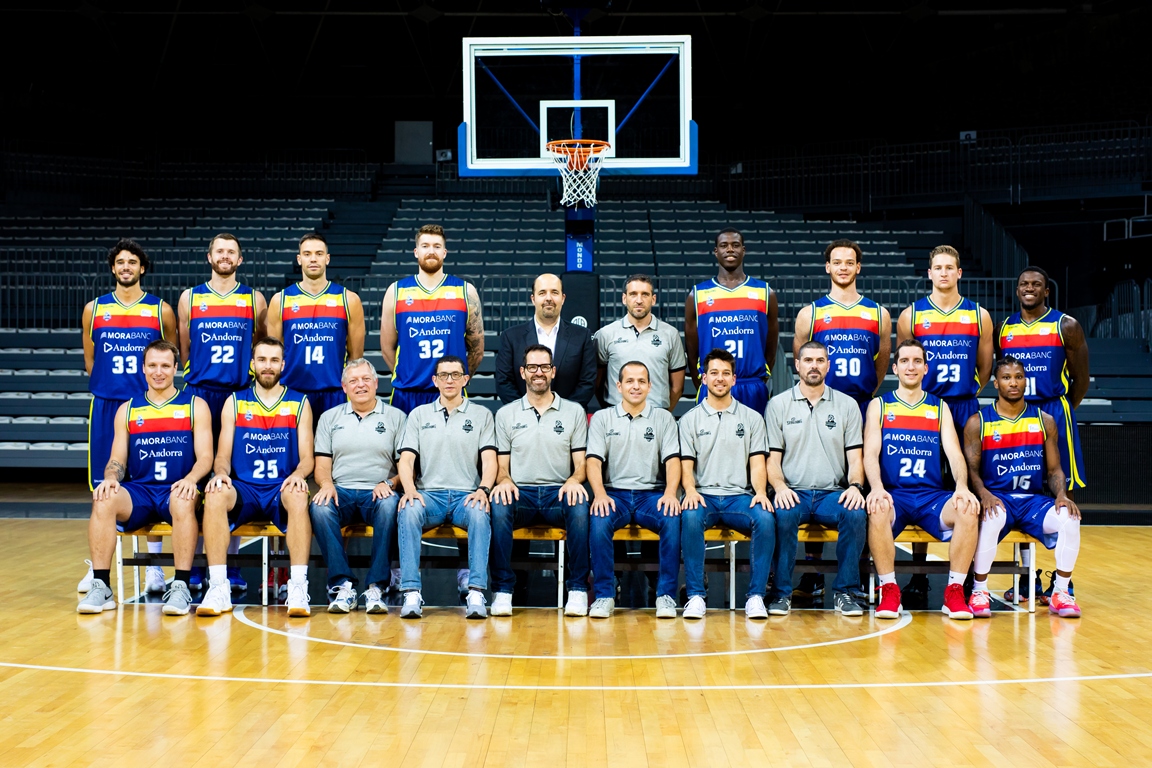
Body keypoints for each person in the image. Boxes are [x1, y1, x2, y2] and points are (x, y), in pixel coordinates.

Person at [77, 340, 212, 616]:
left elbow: (206, 457)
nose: (158, 372)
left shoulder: (195, 406)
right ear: (143, 368)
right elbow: (117, 459)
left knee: (183, 500)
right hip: (140, 491)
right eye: (152, 365)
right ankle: (101, 586)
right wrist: (111, 477)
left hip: (177, 489)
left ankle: (180, 586)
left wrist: (191, 479)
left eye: (165, 366)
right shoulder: (127, 409)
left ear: (176, 368)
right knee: (104, 498)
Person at [792, 239, 890, 598]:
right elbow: (802, 357)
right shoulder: (811, 313)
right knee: (818, 482)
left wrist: (863, 395)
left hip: (861, 405)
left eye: (850, 262)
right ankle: (813, 572)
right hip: (821, 405)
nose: (843, 267)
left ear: (858, 267)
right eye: (837, 262)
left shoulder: (878, 313)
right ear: (828, 267)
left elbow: (882, 362)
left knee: (859, 487)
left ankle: (860, 571)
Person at [80, 238, 178, 597]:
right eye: (120, 262)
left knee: (147, 482)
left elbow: (171, 353)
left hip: (147, 408)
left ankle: (154, 567)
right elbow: (91, 361)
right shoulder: (94, 309)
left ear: (142, 268)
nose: (126, 267)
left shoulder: (160, 310)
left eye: (132, 262)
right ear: (113, 268)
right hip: (107, 404)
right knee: (103, 487)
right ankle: (97, 567)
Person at [896, 244, 992, 602]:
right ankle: (919, 574)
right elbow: (906, 360)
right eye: (938, 267)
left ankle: (965, 576)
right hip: (924, 407)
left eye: (950, 267)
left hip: (963, 406)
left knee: (969, 488)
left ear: (959, 273)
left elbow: (985, 368)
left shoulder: (979, 315)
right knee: (923, 485)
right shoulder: (912, 315)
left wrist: (965, 393)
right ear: (929, 273)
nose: (944, 273)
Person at [863, 339, 980, 621]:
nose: (911, 367)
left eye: (917, 361)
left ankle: (954, 592)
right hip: (895, 495)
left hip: (931, 496)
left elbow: (954, 453)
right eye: (904, 361)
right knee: (877, 507)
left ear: (926, 368)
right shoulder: (880, 406)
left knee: (967, 508)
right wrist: (876, 487)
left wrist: (962, 487)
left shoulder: (939, 407)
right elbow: (870, 454)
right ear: (895, 368)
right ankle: (889, 590)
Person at [197, 337, 315, 618]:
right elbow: (222, 455)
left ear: (283, 365)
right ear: (252, 364)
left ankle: (298, 587)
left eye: (274, 360)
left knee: (299, 493)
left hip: (280, 487)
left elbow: (307, 458)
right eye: (262, 360)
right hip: (245, 488)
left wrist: (299, 474)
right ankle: (218, 587)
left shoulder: (300, 403)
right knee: (214, 494)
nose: (268, 366)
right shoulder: (235, 402)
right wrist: (220, 474)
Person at [178, 232, 268, 593]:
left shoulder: (253, 299)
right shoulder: (190, 298)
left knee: (234, 476)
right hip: (200, 391)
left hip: (238, 392)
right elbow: (184, 348)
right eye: (220, 251)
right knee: (198, 478)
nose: (225, 256)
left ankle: (230, 565)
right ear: (209, 256)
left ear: (240, 259)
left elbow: (259, 344)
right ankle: (195, 564)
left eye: (232, 252)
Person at [964, 356, 1083, 618]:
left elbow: (1054, 470)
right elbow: (972, 470)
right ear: (996, 383)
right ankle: (979, 591)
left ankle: (1061, 592)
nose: (1013, 383)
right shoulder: (978, 422)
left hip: (1032, 501)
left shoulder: (1044, 420)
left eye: (1018, 377)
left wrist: (1061, 495)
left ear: (1025, 381)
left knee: (1070, 518)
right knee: (991, 516)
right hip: (999, 498)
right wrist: (984, 494)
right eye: (1006, 378)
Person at [764, 341, 867, 617]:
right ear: (797, 365)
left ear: (828, 366)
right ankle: (781, 594)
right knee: (782, 514)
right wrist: (780, 487)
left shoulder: (847, 405)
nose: (814, 366)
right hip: (793, 491)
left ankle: (846, 592)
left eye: (820, 361)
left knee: (855, 513)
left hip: (831, 493)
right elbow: (772, 460)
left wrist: (855, 487)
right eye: (808, 360)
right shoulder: (778, 405)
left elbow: (856, 459)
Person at [490, 344, 592, 617]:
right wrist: (505, 480)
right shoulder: (506, 414)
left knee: (580, 507)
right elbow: (501, 465)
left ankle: (578, 589)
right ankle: (502, 590)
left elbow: (582, 463)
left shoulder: (573, 412)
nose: (539, 373)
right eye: (532, 367)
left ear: (553, 371)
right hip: (520, 493)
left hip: (557, 493)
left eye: (544, 367)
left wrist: (574, 480)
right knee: (498, 506)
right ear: (522, 372)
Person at [395, 355, 496, 620]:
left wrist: (483, 490)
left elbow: (489, 460)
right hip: (429, 496)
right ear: (435, 380)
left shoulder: (482, 415)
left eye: (455, 375)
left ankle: (476, 591)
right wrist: (409, 490)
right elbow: (406, 460)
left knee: (480, 513)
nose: (449, 380)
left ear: (466, 379)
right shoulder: (418, 415)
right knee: (408, 510)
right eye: (443, 375)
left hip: (466, 496)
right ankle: (411, 592)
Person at [679, 348, 773, 620]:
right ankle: (696, 595)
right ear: (704, 378)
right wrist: (690, 491)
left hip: (738, 498)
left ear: (734, 379)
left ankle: (756, 596)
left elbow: (757, 463)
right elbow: (686, 465)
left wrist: (760, 492)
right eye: (714, 373)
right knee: (690, 516)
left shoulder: (752, 418)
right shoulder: (689, 420)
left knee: (765, 519)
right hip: (704, 496)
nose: (719, 378)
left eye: (725, 373)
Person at [586, 361, 682, 619]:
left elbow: (673, 461)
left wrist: (670, 493)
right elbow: (593, 461)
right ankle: (604, 595)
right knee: (598, 519)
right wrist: (600, 495)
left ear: (650, 386)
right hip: (613, 494)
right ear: (619, 386)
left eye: (641, 381)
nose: (635, 386)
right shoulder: (602, 418)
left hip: (651, 495)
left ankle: (666, 596)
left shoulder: (663, 418)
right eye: (629, 381)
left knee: (672, 517)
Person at [310, 358, 406, 614]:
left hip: (377, 492)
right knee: (319, 507)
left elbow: (407, 468)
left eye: (365, 379)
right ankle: (342, 585)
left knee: (390, 505)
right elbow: (321, 466)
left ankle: (376, 586)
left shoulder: (396, 417)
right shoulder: (329, 418)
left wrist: (390, 482)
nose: (360, 385)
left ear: (376, 383)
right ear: (344, 387)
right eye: (353, 381)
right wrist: (326, 484)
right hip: (340, 491)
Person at [997, 266, 1089, 492]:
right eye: (1024, 284)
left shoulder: (1066, 325)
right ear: (1017, 291)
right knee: (1018, 483)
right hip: (1017, 412)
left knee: (1062, 485)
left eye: (1036, 284)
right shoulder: (1003, 328)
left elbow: (1081, 379)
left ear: (1046, 291)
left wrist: (1062, 407)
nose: (1029, 288)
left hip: (1053, 408)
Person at [380, 224, 485, 414]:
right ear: (416, 252)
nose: (431, 251)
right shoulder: (396, 292)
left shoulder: (465, 291)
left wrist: (456, 380)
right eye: (425, 246)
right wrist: (409, 376)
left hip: (450, 394)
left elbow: (477, 350)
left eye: (437, 246)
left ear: (444, 252)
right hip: (407, 393)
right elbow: (387, 348)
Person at [267, 232, 365, 422]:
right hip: (292, 393)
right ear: (299, 259)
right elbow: (274, 356)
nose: (313, 259)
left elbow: (355, 358)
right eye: (307, 254)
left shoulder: (348, 299)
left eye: (319, 254)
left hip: (334, 393)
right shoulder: (281, 300)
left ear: (327, 258)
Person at [683, 228, 779, 414]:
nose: (730, 249)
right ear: (716, 251)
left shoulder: (765, 292)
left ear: (743, 250)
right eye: (724, 245)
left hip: (751, 385)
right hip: (713, 386)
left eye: (735, 245)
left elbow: (771, 346)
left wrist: (759, 377)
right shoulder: (698, 295)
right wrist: (704, 382)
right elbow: (692, 352)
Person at [496, 273, 596, 408]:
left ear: (563, 298)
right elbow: (504, 382)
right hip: (522, 417)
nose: (548, 298)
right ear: (533, 299)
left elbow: (587, 382)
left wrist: (564, 412)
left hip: (569, 416)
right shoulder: (511, 337)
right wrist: (526, 412)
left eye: (554, 292)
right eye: (542, 293)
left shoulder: (582, 336)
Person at [595, 273, 686, 411]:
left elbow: (677, 387)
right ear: (624, 298)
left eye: (645, 294)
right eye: (633, 294)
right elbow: (597, 383)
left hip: (657, 413)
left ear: (653, 299)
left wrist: (663, 414)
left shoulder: (670, 334)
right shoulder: (605, 334)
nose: (639, 300)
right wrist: (612, 413)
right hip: (616, 413)